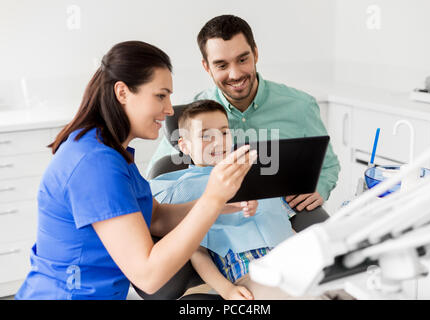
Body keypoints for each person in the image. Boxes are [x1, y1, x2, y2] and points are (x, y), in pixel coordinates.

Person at [14, 41, 257, 300]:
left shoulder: (111, 150)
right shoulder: (94, 163)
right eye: (161, 96)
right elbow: (148, 276)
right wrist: (212, 198)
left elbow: (155, 218)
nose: (169, 109)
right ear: (122, 92)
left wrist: (222, 204)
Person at [151, 100, 353, 300]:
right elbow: (197, 252)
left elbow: (284, 220)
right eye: (205, 135)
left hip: (296, 260)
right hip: (252, 272)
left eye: (224, 132)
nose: (219, 141)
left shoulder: (257, 171)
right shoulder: (179, 189)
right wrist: (227, 291)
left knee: (354, 288)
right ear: (184, 146)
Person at [148, 14, 340, 213]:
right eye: (222, 65)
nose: (235, 74)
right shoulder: (191, 114)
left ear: (255, 54)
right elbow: (157, 176)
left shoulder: (300, 106)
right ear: (207, 67)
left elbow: (328, 165)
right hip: (214, 224)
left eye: (242, 59)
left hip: (280, 217)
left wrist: (319, 187)